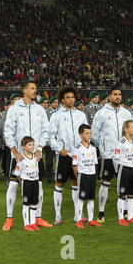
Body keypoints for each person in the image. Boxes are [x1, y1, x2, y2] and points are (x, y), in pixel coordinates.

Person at [3, 80, 52, 231]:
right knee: (12, 186)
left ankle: (37, 217)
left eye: (36, 88)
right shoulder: (14, 109)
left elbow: (46, 131)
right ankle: (9, 219)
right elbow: (8, 131)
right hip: (18, 156)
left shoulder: (39, 109)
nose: (35, 90)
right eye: (32, 88)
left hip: (35, 157)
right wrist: (14, 151)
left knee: (38, 186)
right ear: (24, 90)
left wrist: (40, 148)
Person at [91, 87, 133, 223]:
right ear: (109, 96)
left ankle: (125, 211)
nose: (117, 96)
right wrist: (102, 148)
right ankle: (101, 212)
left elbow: (131, 132)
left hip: (124, 155)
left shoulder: (126, 113)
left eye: (119, 94)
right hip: (108, 154)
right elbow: (95, 134)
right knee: (106, 182)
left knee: (125, 183)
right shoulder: (101, 113)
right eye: (115, 94)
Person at [49, 86, 88, 225]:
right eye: (68, 97)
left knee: (76, 183)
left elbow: (86, 134)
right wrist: (60, 149)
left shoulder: (81, 115)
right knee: (59, 184)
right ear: (61, 100)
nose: (71, 100)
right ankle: (58, 215)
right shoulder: (56, 116)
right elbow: (51, 137)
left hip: (78, 156)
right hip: (64, 156)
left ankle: (78, 214)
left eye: (72, 97)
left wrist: (84, 149)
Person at [114, 120, 133, 226]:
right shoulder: (121, 142)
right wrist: (117, 170)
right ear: (126, 129)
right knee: (122, 194)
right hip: (124, 169)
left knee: (132, 194)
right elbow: (116, 158)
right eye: (132, 127)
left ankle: (131, 217)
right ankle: (121, 218)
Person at [72, 124, 101, 228]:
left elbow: (94, 163)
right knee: (81, 198)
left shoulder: (93, 148)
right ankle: (78, 220)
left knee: (91, 198)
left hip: (91, 175)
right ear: (80, 134)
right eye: (87, 133)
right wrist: (78, 176)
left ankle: (91, 219)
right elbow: (74, 165)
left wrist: (95, 174)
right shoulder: (77, 148)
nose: (89, 135)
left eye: (90, 133)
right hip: (83, 176)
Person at [14, 137, 41, 232]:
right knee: (26, 203)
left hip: (35, 182)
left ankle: (33, 223)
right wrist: (23, 182)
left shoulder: (36, 157)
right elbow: (17, 174)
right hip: (26, 183)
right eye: (29, 145)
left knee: (34, 202)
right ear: (24, 147)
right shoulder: (21, 158)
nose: (32, 146)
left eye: (33, 144)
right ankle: (26, 224)